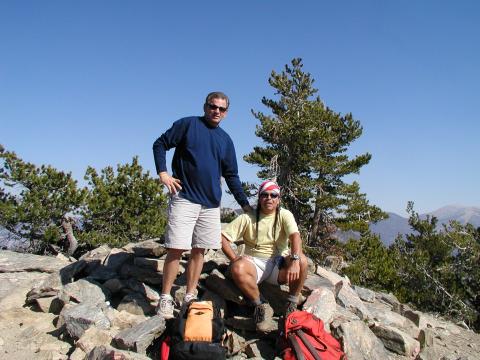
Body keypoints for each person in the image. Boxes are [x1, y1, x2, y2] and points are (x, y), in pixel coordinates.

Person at [153, 91, 252, 319]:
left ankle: (189, 295)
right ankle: (166, 298)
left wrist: (245, 205)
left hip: (210, 204)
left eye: (221, 109)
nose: (216, 111)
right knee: (176, 248)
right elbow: (160, 144)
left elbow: (232, 175)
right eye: (213, 106)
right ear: (205, 106)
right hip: (185, 196)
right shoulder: (188, 125)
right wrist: (163, 173)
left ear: (226, 113)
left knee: (199, 250)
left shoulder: (225, 140)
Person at [221, 180, 308, 332]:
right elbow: (223, 238)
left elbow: (295, 237)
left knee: (302, 261)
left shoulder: (284, 215)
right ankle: (261, 305)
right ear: (259, 198)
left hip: (278, 262)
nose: (269, 198)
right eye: (265, 195)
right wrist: (235, 259)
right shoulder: (248, 217)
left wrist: (294, 261)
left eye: (273, 195)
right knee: (238, 268)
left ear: (278, 199)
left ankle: (291, 303)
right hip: (255, 263)